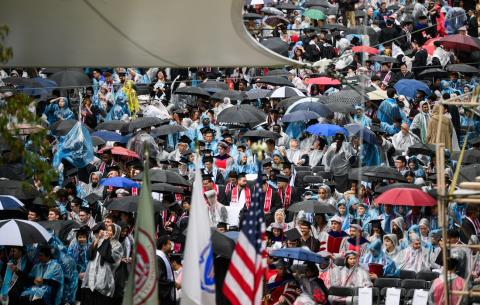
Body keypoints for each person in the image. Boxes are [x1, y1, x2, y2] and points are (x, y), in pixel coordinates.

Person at [81, 223, 123, 305]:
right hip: (91, 274)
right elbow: (89, 255)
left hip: (104, 277)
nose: (108, 232)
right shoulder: (100, 240)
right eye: (107, 230)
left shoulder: (117, 245)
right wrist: (97, 238)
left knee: (100, 300)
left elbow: (107, 256)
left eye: (111, 231)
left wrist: (106, 241)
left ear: (115, 233)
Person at [156, 235, 176, 305]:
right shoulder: (158, 258)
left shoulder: (164, 256)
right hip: (161, 297)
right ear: (163, 245)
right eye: (169, 244)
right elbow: (159, 279)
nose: (171, 246)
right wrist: (172, 283)